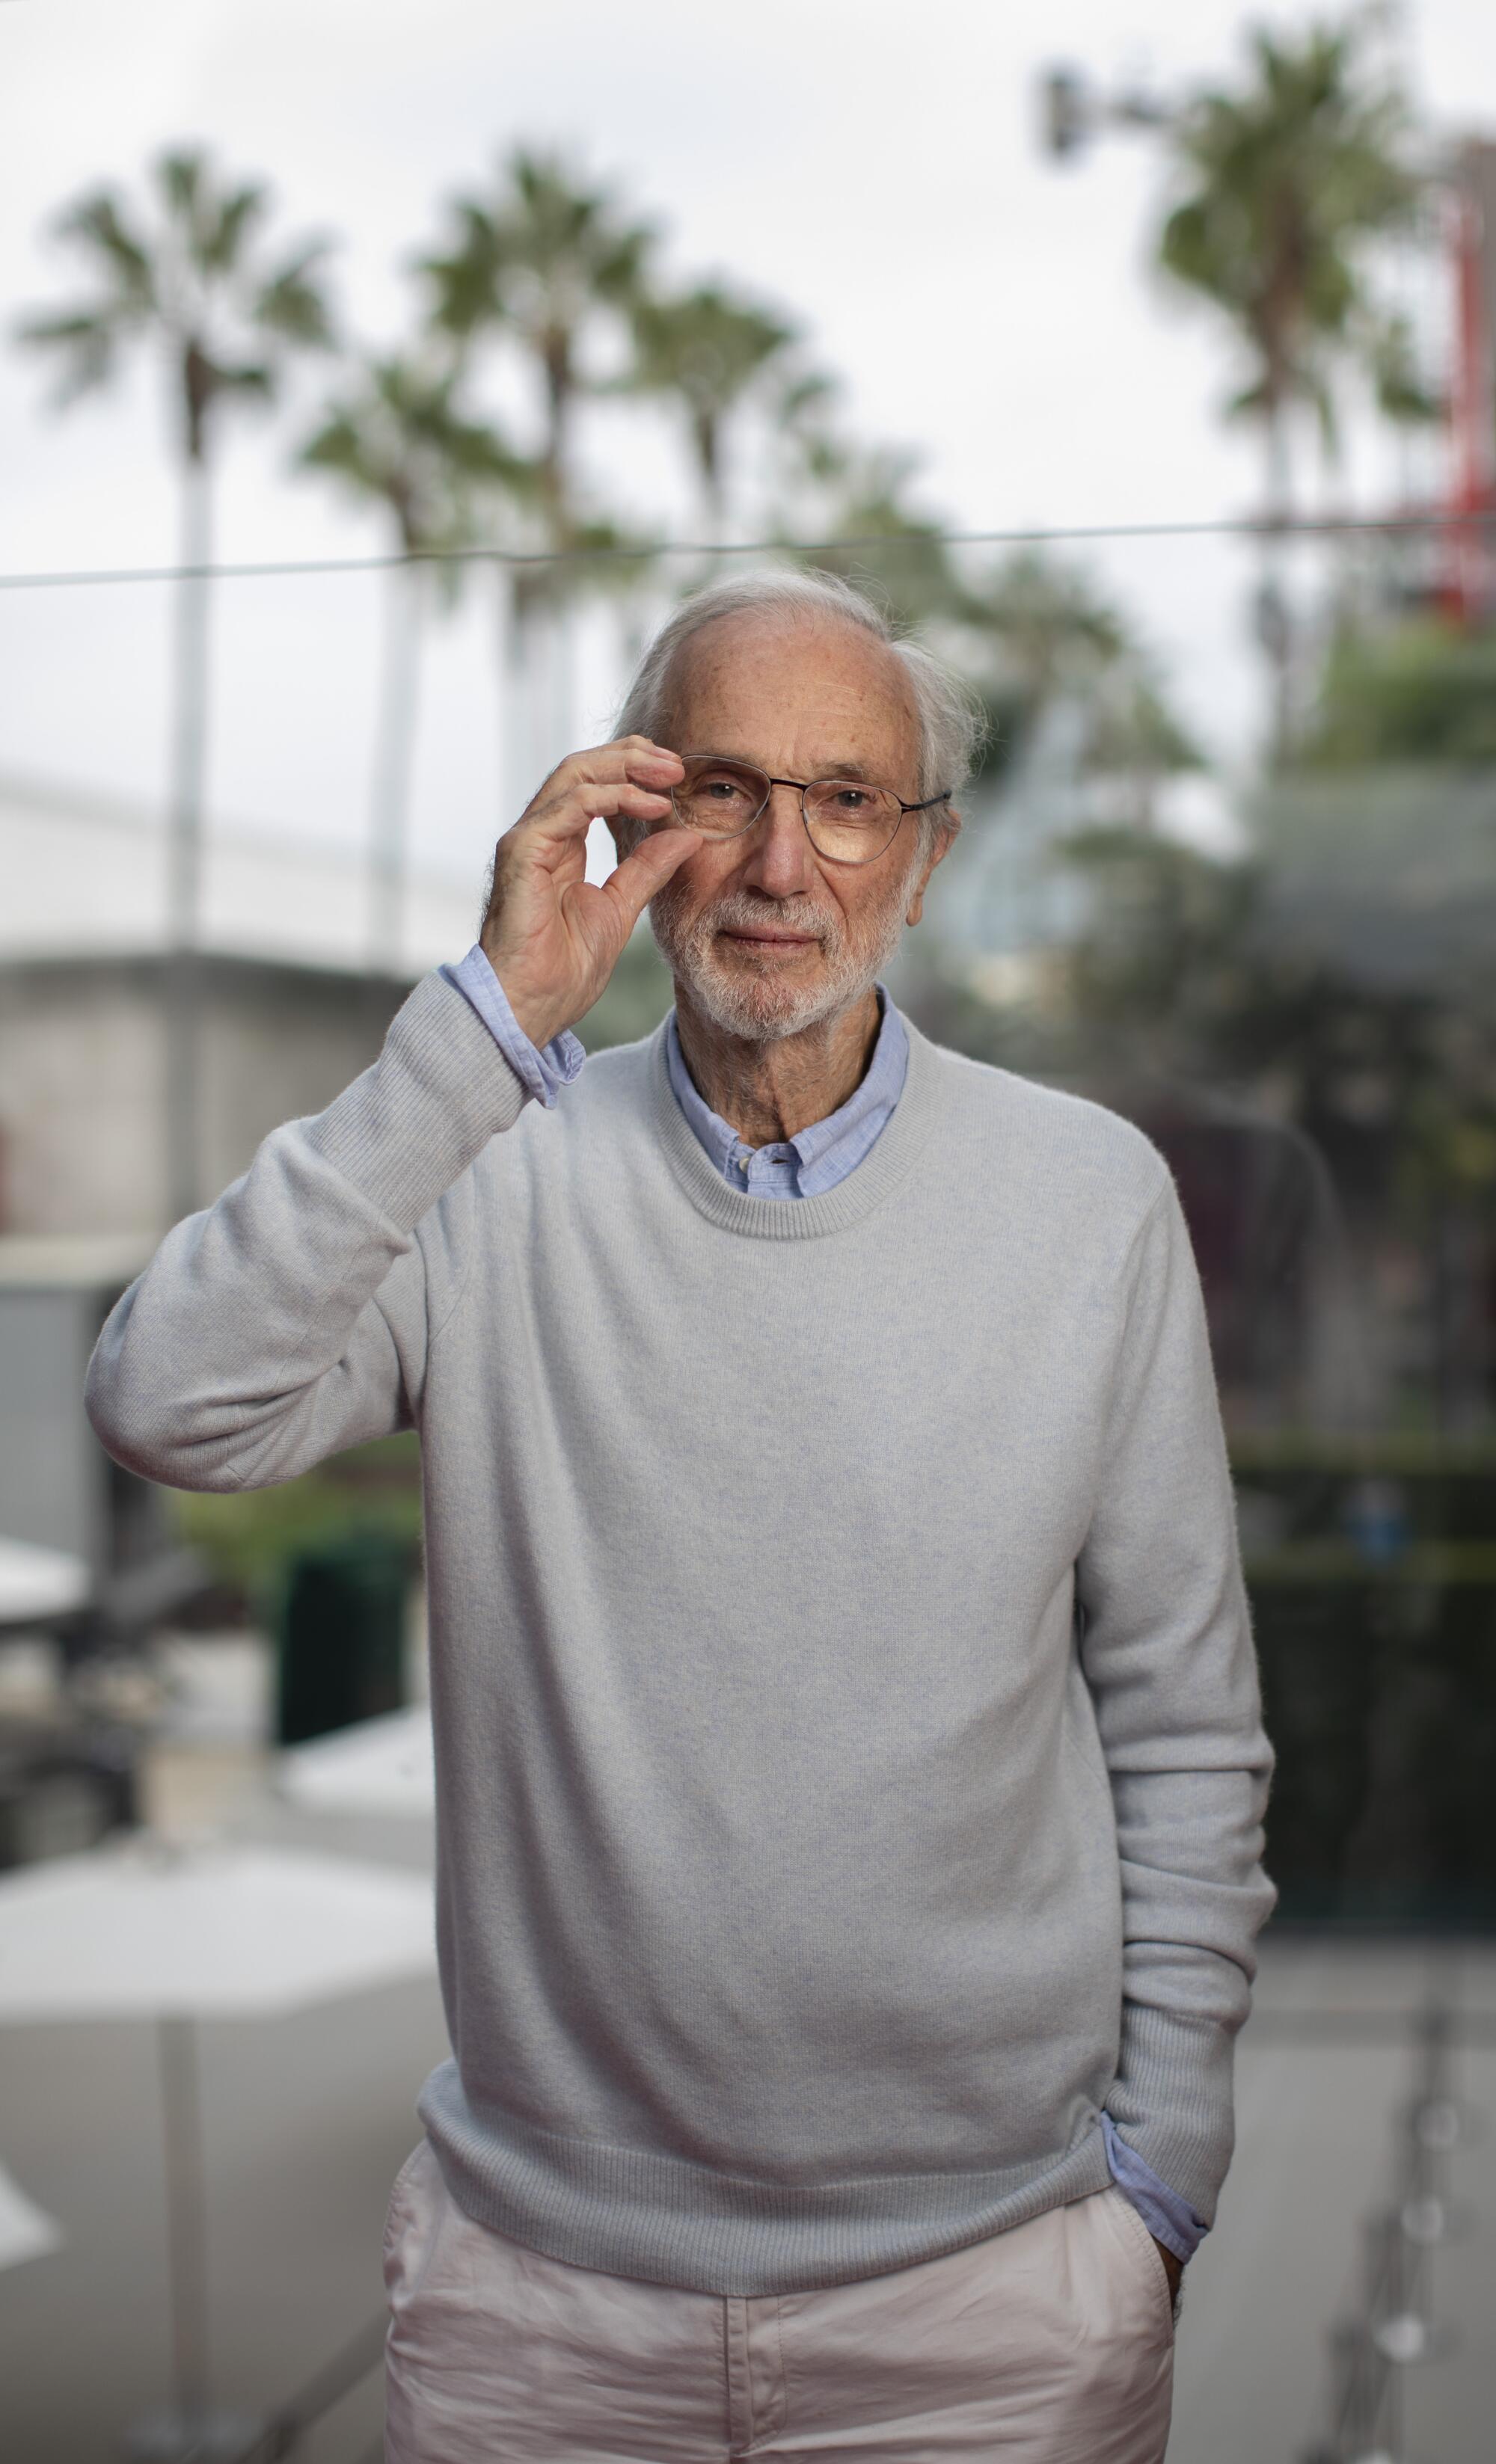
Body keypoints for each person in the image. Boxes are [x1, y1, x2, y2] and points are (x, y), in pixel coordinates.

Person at [87, 568, 1275, 2463]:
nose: (783, 864)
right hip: (542, 2319)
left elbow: (1185, 1724)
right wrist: (484, 1025)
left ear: (924, 856)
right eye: (725, 790)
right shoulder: (482, 1165)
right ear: (633, 819)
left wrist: (1161, 2176)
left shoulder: (1090, 1202)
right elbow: (166, 1400)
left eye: (847, 798)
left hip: (993, 2306)